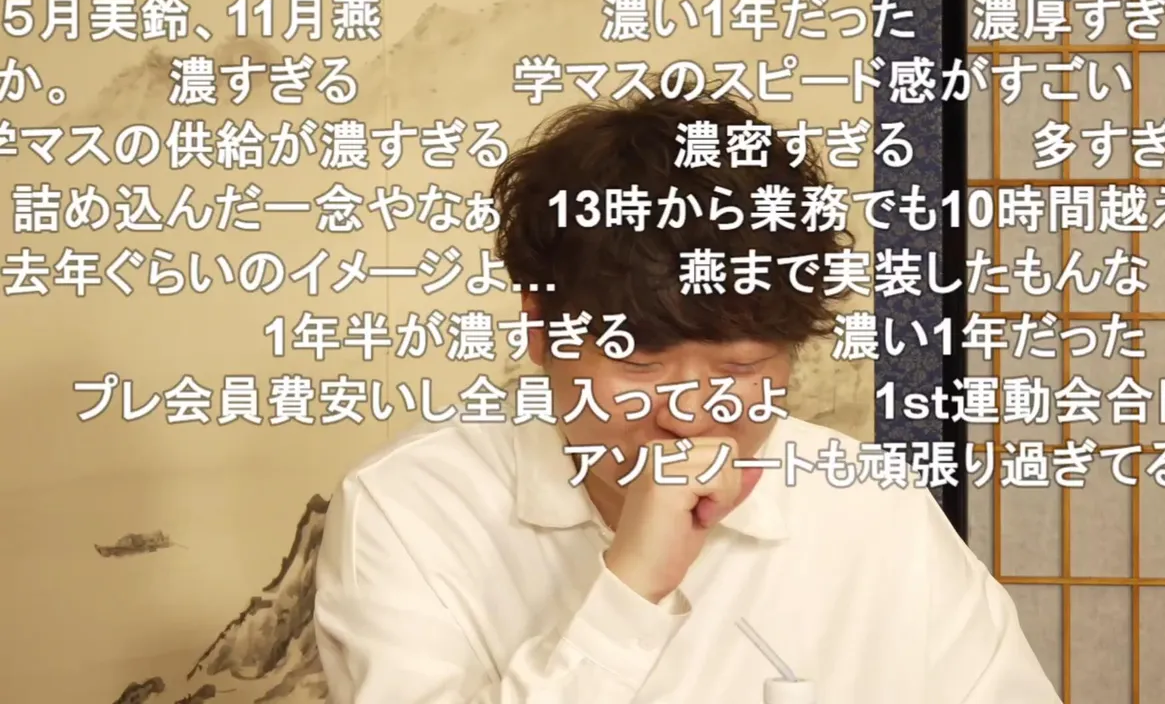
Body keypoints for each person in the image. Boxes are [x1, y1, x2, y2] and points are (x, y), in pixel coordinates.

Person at [313, 88, 1060, 703]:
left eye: (740, 367)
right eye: (640, 364)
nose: (690, 414)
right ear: (540, 329)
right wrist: (631, 587)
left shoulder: (869, 506)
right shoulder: (410, 510)